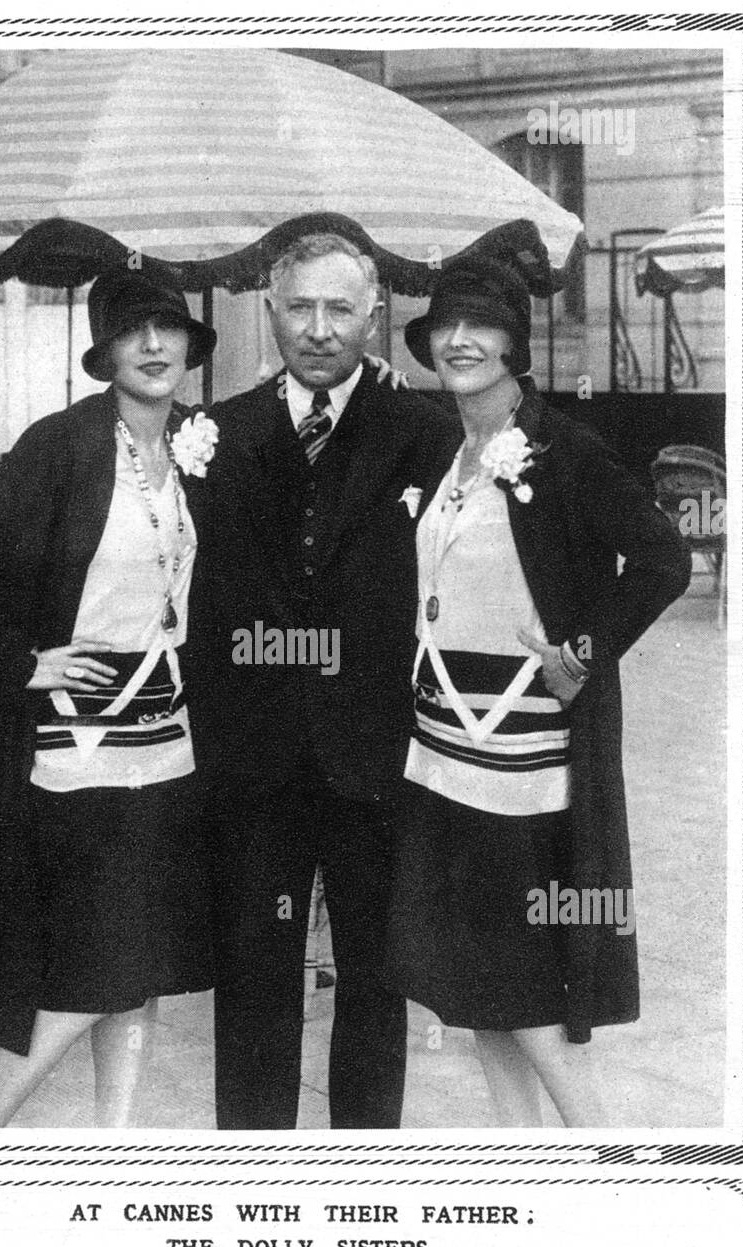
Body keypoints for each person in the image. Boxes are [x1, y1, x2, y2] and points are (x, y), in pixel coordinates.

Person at [383, 220, 691, 1126]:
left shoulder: (564, 447)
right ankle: (532, 1169)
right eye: (445, 326)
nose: (461, 340)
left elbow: (664, 559)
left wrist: (585, 654)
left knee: (520, 989)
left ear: (515, 343)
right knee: (475, 989)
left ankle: (597, 1150)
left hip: (520, 764)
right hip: (439, 755)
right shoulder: (443, 449)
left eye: (481, 326)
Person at [0, 268, 219, 1127]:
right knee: (96, 967)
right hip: (80, 746)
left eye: (170, 329)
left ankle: (111, 1145)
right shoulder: (63, 444)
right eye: (136, 332)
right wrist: (20, 660)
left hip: (168, 741)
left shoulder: (197, 442)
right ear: (107, 353)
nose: (156, 347)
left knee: (139, 963)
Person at [205, 231, 454, 1129]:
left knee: (375, 979)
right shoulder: (219, 433)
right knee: (254, 976)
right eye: (299, 307)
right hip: (256, 762)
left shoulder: (426, 434)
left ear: (375, 316)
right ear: (270, 311)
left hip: (376, 755)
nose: (318, 329)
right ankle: (255, 1174)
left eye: (339, 309)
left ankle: (362, 1171)